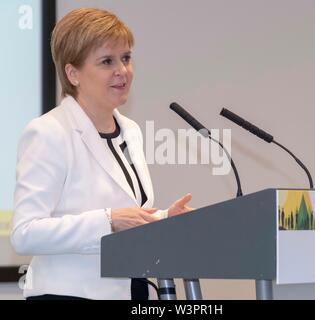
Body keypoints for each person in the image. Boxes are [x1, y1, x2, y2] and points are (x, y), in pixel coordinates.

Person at [11, 8, 193, 300]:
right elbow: (25, 233)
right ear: (73, 73)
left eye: (126, 58)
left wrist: (162, 217)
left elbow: (124, 214)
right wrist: (107, 221)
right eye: (107, 61)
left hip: (131, 290)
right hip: (67, 295)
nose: (122, 70)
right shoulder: (48, 132)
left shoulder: (130, 130)